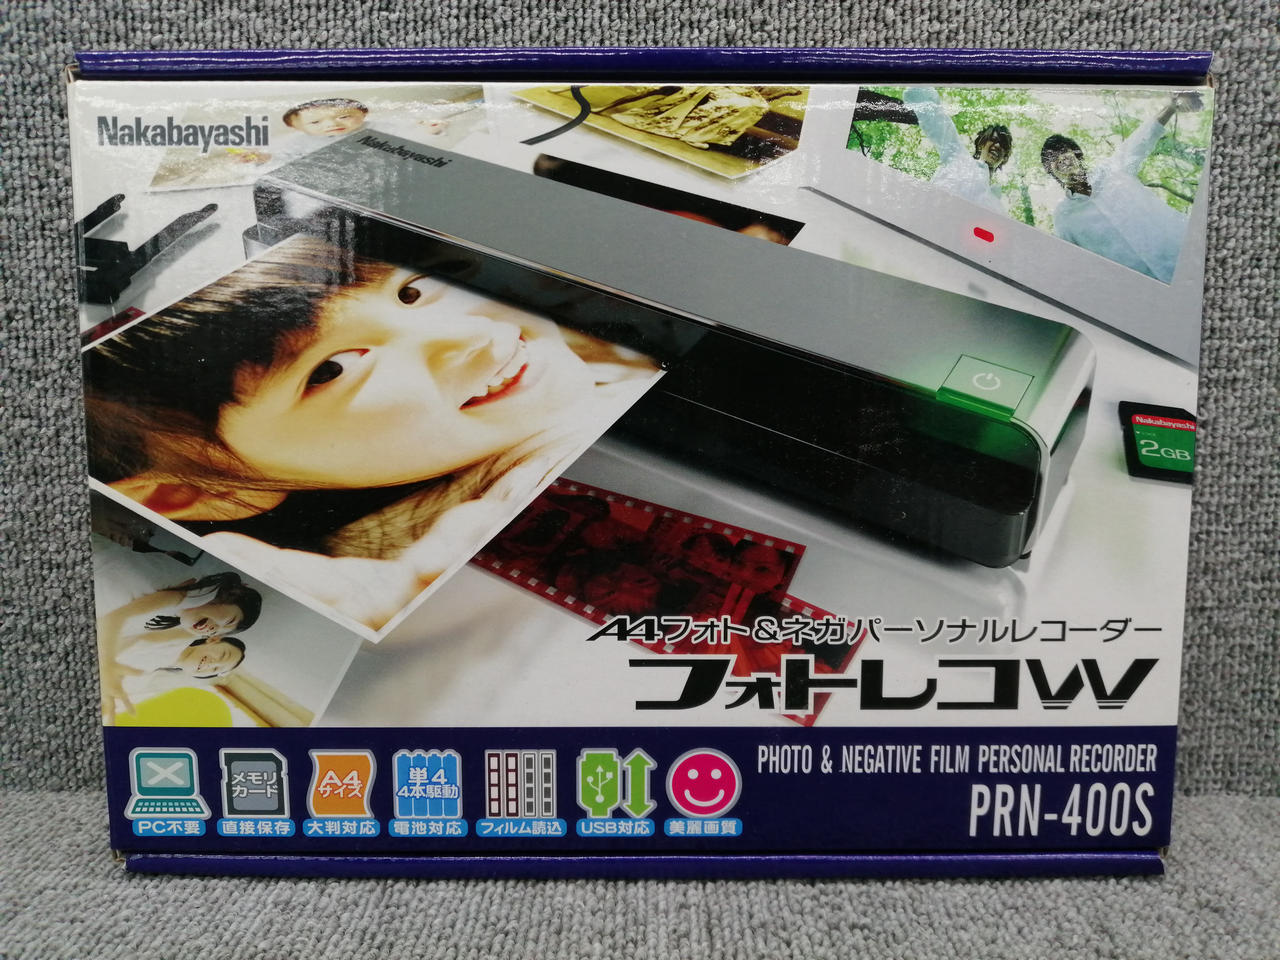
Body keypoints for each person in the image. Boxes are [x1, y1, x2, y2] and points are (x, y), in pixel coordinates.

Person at [83, 236, 661, 629]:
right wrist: (381, 593)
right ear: (194, 490)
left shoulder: (558, 362)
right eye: (331, 370)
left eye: (410, 292)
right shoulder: (510, 489)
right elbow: (414, 579)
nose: (469, 333)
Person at [1040, 92, 1203, 283]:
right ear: (1052, 173)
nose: (1060, 158)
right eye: (1052, 158)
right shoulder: (1063, 217)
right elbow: (1073, 264)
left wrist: (1171, 106)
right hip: (1140, 290)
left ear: (1077, 155)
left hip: (1185, 253)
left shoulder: (1113, 169)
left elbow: (1143, 137)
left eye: (1063, 151)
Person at [95, 573, 257, 721]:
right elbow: (117, 629)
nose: (212, 664)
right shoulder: (174, 631)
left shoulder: (150, 677)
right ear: (212, 640)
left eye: (216, 669)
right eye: (222, 655)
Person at [902, 87, 1012, 214]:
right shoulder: (957, 154)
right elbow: (934, 117)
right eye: (993, 139)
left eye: (1003, 145)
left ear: (1004, 158)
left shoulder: (997, 205)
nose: (997, 146)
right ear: (981, 144)